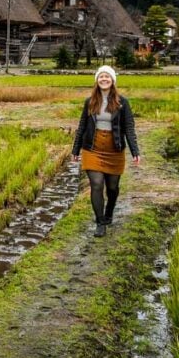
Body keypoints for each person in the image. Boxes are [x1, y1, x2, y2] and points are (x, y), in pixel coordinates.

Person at [70, 65, 140, 237]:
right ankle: (100, 222)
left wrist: (135, 151)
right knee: (96, 184)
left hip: (114, 149)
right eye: (101, 76)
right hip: (92, 148)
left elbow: (129, 128)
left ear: (112, 80)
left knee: (113, 187)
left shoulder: (123, 102)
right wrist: (75, 150)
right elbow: (82, 127)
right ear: (97, 80)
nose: (104, 79)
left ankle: (109, 211)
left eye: (107, 77)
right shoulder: (90, 102)